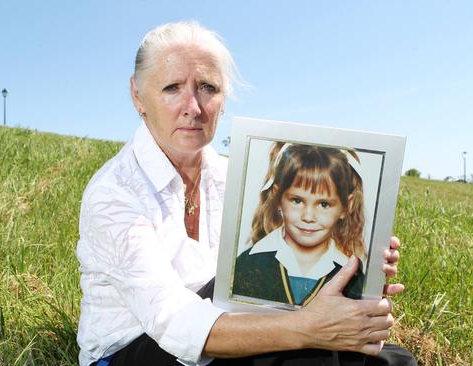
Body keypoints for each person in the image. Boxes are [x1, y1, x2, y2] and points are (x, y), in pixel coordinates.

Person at [76, 21, 416, 366]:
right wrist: (308, 327)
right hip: (137, 346)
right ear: (138, 96)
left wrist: (354, 268)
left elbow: (269, 274)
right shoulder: (114, 194)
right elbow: (174, 322)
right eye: (172, 87)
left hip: (219, 315)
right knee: (310, 352)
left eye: (207, 87)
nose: (193, 107)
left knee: (390, 360)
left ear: (224, 101)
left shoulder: (231, 175)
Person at [233, 143, 367, 306]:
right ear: (278, 199)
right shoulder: (248, 264)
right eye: (297, 201)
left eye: (324, 204)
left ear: (346, 206)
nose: (308, 217)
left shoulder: (353, 276)